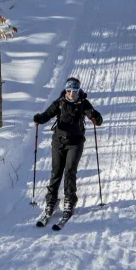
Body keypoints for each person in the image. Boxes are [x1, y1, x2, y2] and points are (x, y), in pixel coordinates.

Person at [33, 77, 103, 218]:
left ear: (78, 91)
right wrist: (39, 118)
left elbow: (96, 119)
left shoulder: (83, 103)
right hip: (58, 142)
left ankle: (70, 201)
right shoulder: (59, 103)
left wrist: (96, 117)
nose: (72, 94)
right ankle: (51, 200)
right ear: (65, 90)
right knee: (56, 172)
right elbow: (47, 115)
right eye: (69, 91)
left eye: (75, 91)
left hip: (75, 143)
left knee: (70, 172)